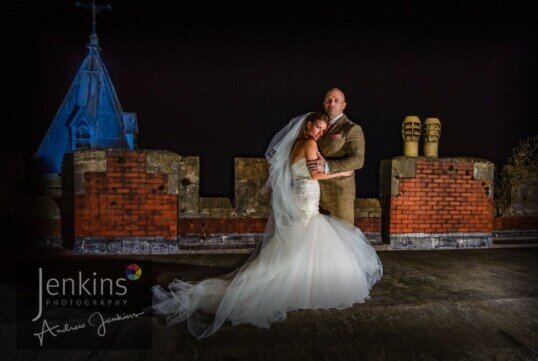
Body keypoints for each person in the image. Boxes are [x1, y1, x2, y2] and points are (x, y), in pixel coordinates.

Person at [149, 112, 383, 339]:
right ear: (307, 126)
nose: (320, 132)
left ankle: (297, 277)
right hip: (306, 193)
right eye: (317, 127)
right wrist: (341, 174)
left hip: (301, 193)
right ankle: (293, 282)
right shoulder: (309, 144)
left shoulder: (298, 144)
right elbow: (314, 176)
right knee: (307, 232)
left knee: (302, 236)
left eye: (323, 129)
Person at [307, 88, 365, 225]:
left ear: (343, 105)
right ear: (324, 104)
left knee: (342, 238)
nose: (331, 103)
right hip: (314, 192)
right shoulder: (317, 125)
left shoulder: (351, 128)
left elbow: (358, 160)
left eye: (336, 100)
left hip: (339, 194)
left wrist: (327, 166)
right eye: (328, 100)